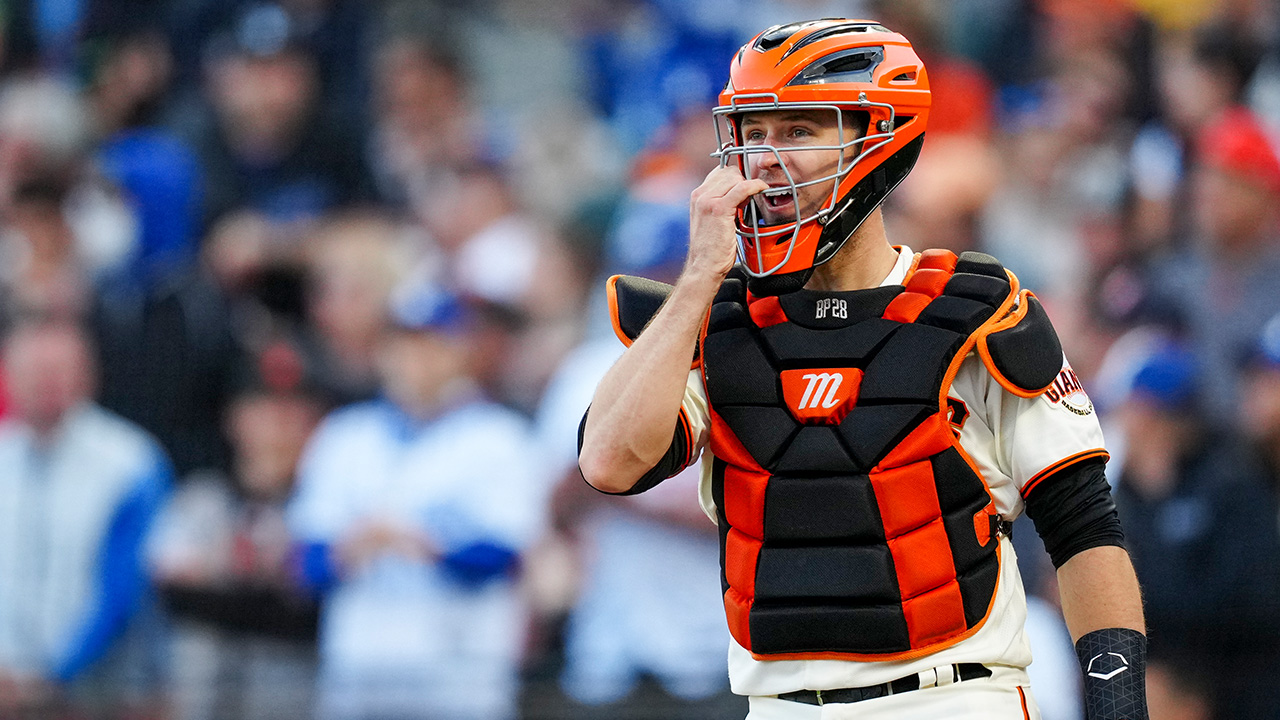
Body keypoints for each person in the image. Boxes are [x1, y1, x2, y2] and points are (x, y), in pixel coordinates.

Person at [578, 19, 1147, 720]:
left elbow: (1085, 531)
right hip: (779, 706)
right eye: (752, 134)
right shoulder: (712, 319)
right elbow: (607, 463)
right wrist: (698, 278)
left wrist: (1119, 708)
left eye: (798, 132)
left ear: (880, 139)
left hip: (955, 699)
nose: (765, 161)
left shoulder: (974, 312)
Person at [285, 283, 551, 720]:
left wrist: (424, 543)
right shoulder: (345, 436)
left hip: (461, 672)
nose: (417, 358)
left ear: (462, 353)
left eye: (433, 345)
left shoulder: (501, 438)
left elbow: (506, 555)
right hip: (360, 667)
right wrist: (354, 546)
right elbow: (305, 563)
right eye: (405, 344)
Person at [0, 317, 171, 715]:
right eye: (33, 371)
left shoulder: (130, 461)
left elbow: (123, 588)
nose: (45, 383)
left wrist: (52, 674)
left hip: (100, 690)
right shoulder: (4, 455)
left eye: (58, 371)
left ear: (87, 375)